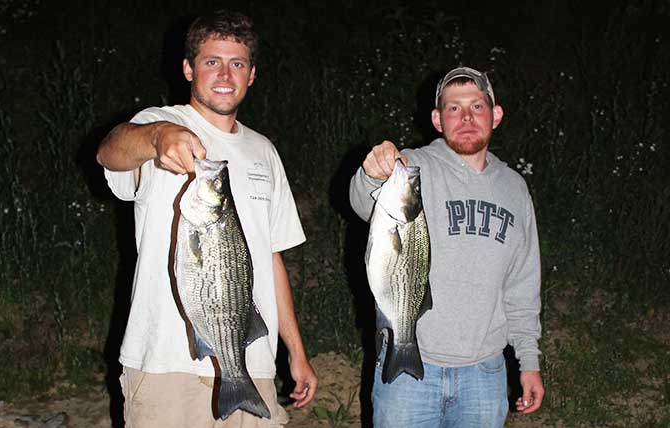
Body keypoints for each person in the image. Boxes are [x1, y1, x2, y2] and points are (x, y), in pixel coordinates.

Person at [96, 10, 317, 428]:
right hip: (166, 363)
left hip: (252, 363)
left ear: (252, 75)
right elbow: (109, 151)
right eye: (212, 61)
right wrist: (158, 137)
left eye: (237, 64)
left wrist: (297, 353)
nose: (225, 74)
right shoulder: (158, 123)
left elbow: (271, 259)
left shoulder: (264, 151)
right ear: (188, 68)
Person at [349, 66, 544, 427]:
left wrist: (528, 361)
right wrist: (373, 172)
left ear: (495, 115)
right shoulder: (413, 166)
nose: (466, 117)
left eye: (476, 106)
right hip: (406, 368)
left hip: (484, 374)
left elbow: (523, 282)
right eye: (454, 108)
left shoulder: (514, 188)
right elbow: (364, 203)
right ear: (438, 119)